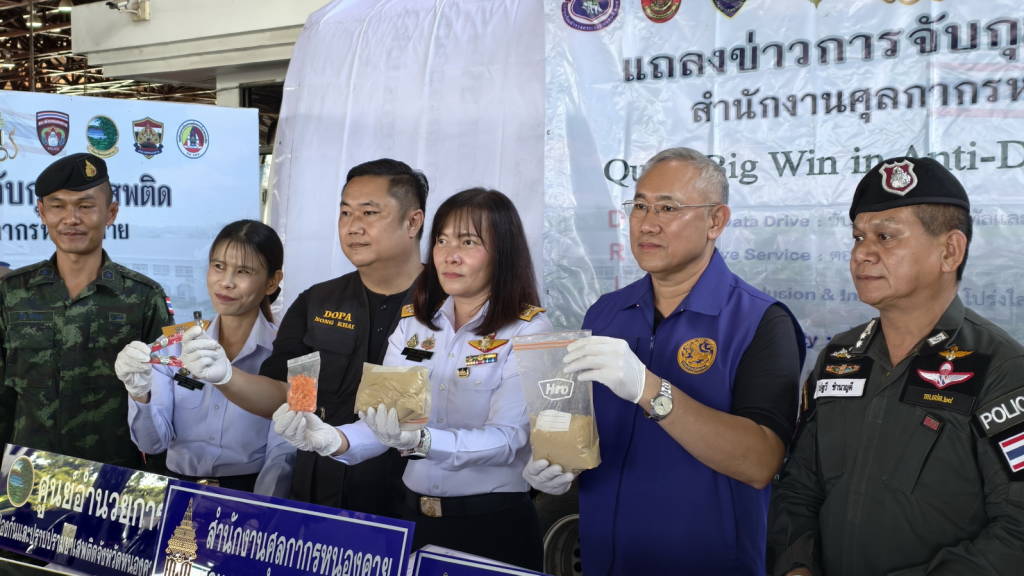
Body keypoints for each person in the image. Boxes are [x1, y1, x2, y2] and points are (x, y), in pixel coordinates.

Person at [524, 147, 805, 575]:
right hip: (607, 559)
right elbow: (587, 429)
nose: (647, 223)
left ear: (716, 221)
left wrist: (649, 389)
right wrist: (557, 466)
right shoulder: (606, 314)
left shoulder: (759, 321)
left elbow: (759, 463)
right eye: (640, 206)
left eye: (668, 208)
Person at [768, 157, 1024, 576]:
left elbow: (1016, 532)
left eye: (885, 237)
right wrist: (796, 566)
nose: (861, 254)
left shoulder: (1001, 368)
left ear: (950, 251)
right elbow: (798, 489)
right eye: (858, 237)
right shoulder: (840, 358)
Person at [273, 188, 551, 569]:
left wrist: (422, 440)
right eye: (442, 240)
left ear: (503, 253)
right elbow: (385, 423)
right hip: (413, 519)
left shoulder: (528, 330)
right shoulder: (415, 324)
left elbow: (508, 439)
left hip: (491, 524)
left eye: (468, 242)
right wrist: (333, 439)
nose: (450, 255)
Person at [179, 158, 427, 516]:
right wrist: (227, 377)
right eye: (345, 213)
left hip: (408, 502)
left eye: (369, 213)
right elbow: (287, 394)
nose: (353, 226)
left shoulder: (447, 306)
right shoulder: (318, 303)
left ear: (413, 222)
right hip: (318, 498)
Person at [0, 153, 172, 469]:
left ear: (111, 212)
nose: (71, 219)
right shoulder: (11, 293)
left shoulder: (144, 298)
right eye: (58, 206)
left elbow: (162, 402)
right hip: (28, 477)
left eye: (85, 206)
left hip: (113, 481)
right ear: (42, 212)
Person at [114, 219, 295, 496]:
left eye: (243, 271)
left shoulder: (284, 353)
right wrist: (140, 394)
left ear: (272, 281)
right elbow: (152, 444)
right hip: (176, 492)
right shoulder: (173, 346)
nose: (226, 282)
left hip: (247, 494)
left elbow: (282, 457)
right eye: (218, 266)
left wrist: (262, 512)